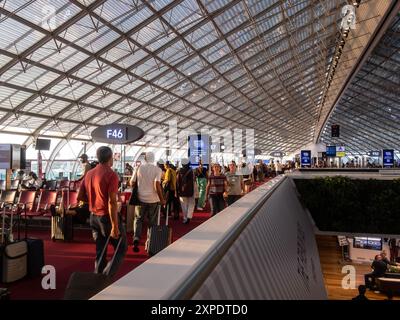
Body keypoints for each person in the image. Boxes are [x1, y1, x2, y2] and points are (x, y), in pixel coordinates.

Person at [77, 146, 127, 276]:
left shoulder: (89, 174)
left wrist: (94, 202)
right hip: (107, 218)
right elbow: (112, 202)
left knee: (100, 249)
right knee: (121, 248)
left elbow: (80, 197)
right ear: (110, 158)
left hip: (93, 217)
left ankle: (97, 276)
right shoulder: (111, 175)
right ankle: (107, 275)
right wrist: (115, 226)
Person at [132, 152, 166, 253]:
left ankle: (136, 238)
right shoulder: (157, 170)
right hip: (153, 200)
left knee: (138, 219)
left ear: (145, 158)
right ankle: (150, 242)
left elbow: (132, 182)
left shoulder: (138, 168)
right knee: (152, 221)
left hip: (140, 198)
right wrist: (162, 199)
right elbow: (157, 185)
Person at [176, 158, 195, 224]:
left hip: (182, 191)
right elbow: (193, 181)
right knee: (191, 203)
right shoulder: (191, 171)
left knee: (184, 205)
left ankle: (185, 218)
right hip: (190, 190)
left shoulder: (179, 171)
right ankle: (189, 216)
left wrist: (177, 190)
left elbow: (178, 182)